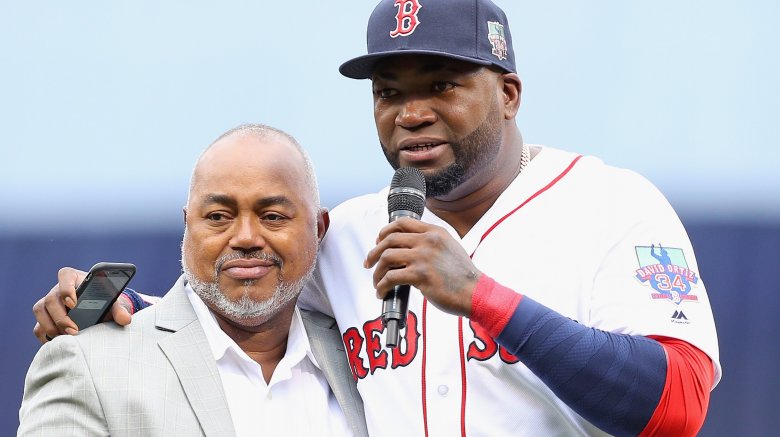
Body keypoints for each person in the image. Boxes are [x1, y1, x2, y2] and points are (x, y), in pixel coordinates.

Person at [32, 1, 721, 436]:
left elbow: (678, 404)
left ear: (508, 93)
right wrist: (110, 306)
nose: (410, 112)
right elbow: (235, 305)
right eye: (389, 91)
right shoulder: (352, 233)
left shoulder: (609, 204)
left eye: (441, 85)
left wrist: (482, 297)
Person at [20, 124, 368, 437]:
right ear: (188, 226)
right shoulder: (87, 364)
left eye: (273, 216)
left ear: (318, 229)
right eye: (218, 216)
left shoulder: (365, 357)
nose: (246, 237)